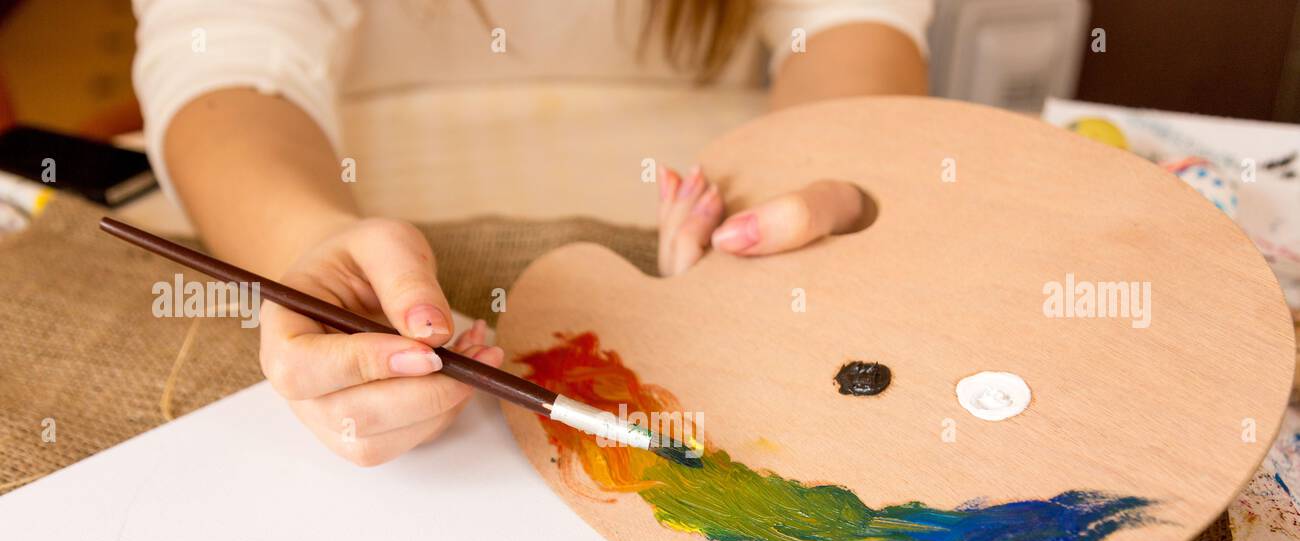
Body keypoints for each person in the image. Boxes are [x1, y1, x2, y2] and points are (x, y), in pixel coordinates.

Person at [133, 0, 931, 464]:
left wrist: (816, 189)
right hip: (336, 164)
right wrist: (306, 243)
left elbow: (852, 22)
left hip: (713, 163)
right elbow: (216, 55)